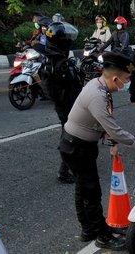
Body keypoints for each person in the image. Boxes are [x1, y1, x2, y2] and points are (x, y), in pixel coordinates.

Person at [59, 52, 135, 250]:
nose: (127, 84)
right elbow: (114, 129)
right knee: (91, 192)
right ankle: (102, 235)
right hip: (77, 147)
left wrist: (112, 144)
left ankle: (88, 229)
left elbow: (103, 126)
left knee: (83, 188)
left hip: (78, 145)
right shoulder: (97, 95)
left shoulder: (100, 87)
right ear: (115, 78)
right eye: (126, 80)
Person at [41, 21, 84, 184]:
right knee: (71, 136)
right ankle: (64, 172)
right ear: (62, 40)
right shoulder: (60, 64)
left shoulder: (53, 57)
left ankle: (69, 166)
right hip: (68, 106)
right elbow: (70, 86)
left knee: (70, 135)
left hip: (64, 104)